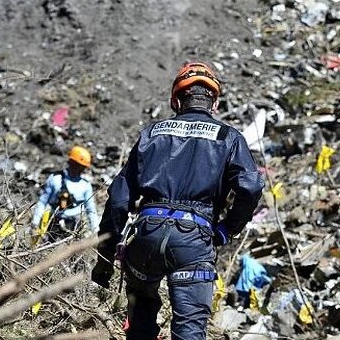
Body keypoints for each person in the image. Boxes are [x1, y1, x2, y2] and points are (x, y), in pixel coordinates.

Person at [91, 62, 264, 340]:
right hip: (193, 241)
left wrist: (105, 257)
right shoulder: (228, 137)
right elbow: (251, 187)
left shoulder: (152, 133)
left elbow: (119, 198)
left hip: (146, 235)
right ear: (214, 102)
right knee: (189, 330)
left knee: (140, 324)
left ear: (176, 100)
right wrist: (226, 229)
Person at [31, 146, 99, 240]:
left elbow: (91, 210)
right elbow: (42, 202)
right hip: (53, 223)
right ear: (71, 162)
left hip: (74, 226)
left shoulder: (85, 186)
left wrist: (95, 231)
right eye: (76, 165)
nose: (78, 169)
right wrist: (35, 223)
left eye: (81, 167)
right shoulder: (55, 179)